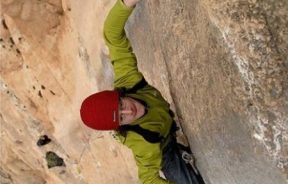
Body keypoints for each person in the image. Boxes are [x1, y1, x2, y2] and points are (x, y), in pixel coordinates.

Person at [80, 0, 203, 183]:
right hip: (165, 148)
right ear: (121, 126)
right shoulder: (143, 143)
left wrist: (127, 3)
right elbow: (148, 180)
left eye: (121, 104)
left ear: (120, 94)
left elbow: (112, 35)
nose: (129, 111)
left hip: (164, 123)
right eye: (122, 117)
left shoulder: (128, 81)